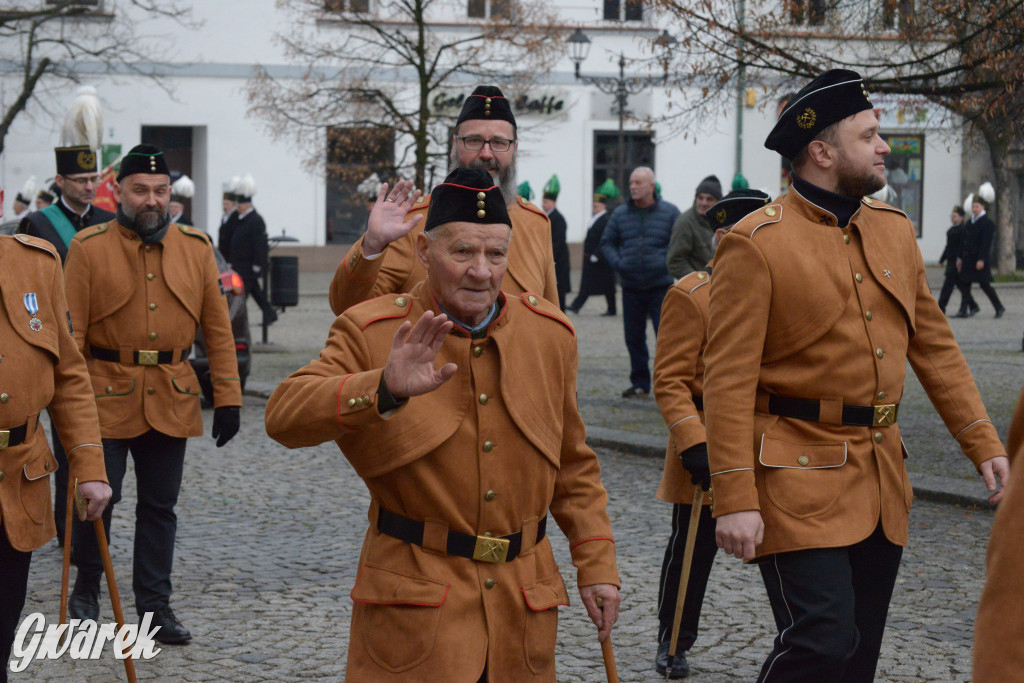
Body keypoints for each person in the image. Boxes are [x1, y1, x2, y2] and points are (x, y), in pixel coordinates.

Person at [704, 69, 1009, 682]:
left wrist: (983, 442)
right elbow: (726, 381)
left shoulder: (894, 232)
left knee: (857, 658)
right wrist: (734, 497)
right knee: (821, 639)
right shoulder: (756, 242)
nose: (883, 145)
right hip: (793, 476)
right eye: (869, 135)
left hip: (879, 478)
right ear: (821, 151)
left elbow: (937, 351)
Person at [266, 168, 620, 681]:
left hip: (523, 616)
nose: (482, 271)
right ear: (424, 253)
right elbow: (283, 414)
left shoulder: (550, 335)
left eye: (496, 254)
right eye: (463, 253)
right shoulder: (374, 330)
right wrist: (381, 387)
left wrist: (597, 566)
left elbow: (573, 468)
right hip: (415, 618)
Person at [62, 144, 242, 645]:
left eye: (160, 191)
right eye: (140, 190)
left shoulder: (197, 246)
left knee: (161, 508)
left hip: (172, 393)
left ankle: (154, 607)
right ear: (118, 192)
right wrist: (64, 405)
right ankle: (87, 588)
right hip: (102, 394)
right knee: (98, 499)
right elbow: (69, 337)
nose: (151, 200)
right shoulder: (89, 248)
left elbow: (217, 328)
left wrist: (228, 396)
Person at [652, 188, 770, 679]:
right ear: (722, 238)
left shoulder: (775, 293)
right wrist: (695, 443)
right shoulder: (691, 295)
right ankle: (674, 640)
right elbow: (670, 380)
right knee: (692, 550)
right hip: (704, 439)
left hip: (768, 439)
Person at [328, 84, 558, 315]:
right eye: (474, 141)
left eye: (499, 143)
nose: (486, 154)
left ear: (515, 150)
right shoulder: (410, 223)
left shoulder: (537, 224)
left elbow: (551, 324)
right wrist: (372, 246)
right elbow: (347, 308)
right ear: (454, 147)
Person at [0, 233, 112, 683]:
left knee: (4, 620)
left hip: (18, 479)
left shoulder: (37, 263)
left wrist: (88, 466)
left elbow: (67, 376)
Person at [19, 125, 116, 547]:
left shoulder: (110, 224)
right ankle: (69, 542)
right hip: (55, 340)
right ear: (60, 182)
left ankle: (90, 545)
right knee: (62, 455)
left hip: (101, 354)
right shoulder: (37, 222)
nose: (90, 186)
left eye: (94, 178)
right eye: (81, 180)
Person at [599, 166, 680, 398]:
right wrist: (620, 263)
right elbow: (607, 243)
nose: (633, 186)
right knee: (633, 337)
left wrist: (665, 262)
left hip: (660, 287)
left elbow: (678, 243)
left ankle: (670, 385)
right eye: (632, 182)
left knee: (665, 338)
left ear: (652, 186)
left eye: (639, 182)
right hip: (632, 286)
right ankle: (640, 383)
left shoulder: (670, 212)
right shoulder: (620, 214)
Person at [230, 174, 277, 325]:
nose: (238, 209)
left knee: (242, 296)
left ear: (247, 206)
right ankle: (270, 313)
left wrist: (257, 265)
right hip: (240, 265)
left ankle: (235, 319)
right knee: (256, 292)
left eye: (240, 206)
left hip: (249, 265)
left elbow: (259, 245)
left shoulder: (256, 220)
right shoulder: (241, 219)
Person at [569, 179, 619, 316]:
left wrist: (597, 254)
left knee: (607, 286)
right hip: (591, 257)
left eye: (597, 206)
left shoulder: (605, 220)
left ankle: (611, 308)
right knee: (588, 285)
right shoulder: (595, 218)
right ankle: (576, 305)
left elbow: (605, 238)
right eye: (594, 206)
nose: (594, 208)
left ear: (603, 206)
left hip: (601, 259)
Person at [957, 184, 1004, 318]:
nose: (974, 209)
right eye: (973, 207)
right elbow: (963, 241)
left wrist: (982, 259)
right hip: (967, 259)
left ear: (983, 207)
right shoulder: (969, 222)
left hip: (979, 259)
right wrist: (959, 258)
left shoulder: (987, 223)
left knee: (985, 285)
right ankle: (964, 309)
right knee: (965, 285)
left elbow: (986, 243)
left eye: (977, 206)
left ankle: (999, 307)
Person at [666, 175, 722, 280]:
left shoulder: (721, 221)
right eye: (700, 198)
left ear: (717, 201)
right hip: (697, 291)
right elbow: (675, 262)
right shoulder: (685, 222)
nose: (703, 203)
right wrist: (700, 280)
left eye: (709, 199)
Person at [936, 205, 976, 316]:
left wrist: (960, 259)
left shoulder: (964, 230)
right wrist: (941, 260)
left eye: (955, 216)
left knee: (948, 286)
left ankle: (940, 308)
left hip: (958, 263)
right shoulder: (951, 230)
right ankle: (973, 306)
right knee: (962, 286)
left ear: (961, 218)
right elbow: (948, 247)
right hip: (951, 261)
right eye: (952, 216)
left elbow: (963, 246)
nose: (953, 218)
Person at [542, 174, 571, 310]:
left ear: (553, 203)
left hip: (558, 260)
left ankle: (562, 312)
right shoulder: (546, 217)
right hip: (550, 258)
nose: (543, 204)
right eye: (543, 201)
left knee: (559, 289)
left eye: (546, 202)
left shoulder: (558, 218)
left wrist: (547, 254)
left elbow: (558, 242)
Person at [218, 177, 240, 260]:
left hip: (231, 255)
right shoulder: (224, 217)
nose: (224, 207)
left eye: (227, 204)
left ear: (233, 205)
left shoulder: (236, 217)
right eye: (223, 204)